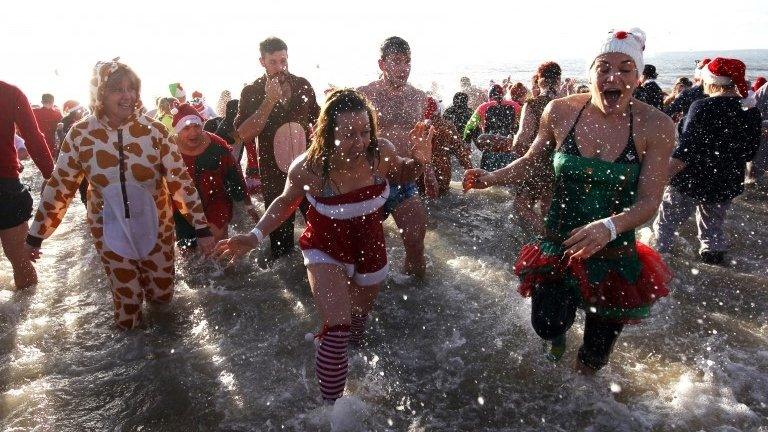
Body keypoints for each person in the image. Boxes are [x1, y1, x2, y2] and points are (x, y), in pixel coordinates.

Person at [464, 28, 674, 372]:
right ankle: (559, 336)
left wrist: (609, 226)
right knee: (547, 326)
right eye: (604, 67)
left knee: (594, 358)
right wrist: (490, 178)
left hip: (613, 252)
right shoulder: (560, 112)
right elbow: (532, 161)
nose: (613, 77)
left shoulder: (656, 125)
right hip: (559, 242)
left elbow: (650, 201)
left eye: (625, 68)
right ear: (590, 72)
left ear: (637, 77)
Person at [213, 89, 432, 404]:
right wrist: (254, 236)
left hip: (370, 246)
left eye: (365, 132)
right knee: (338, 327)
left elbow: (404, 171)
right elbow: (286, 203)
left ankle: (348, 362)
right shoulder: (308, 168)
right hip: (325, 248)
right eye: (349, 134)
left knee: (357, 321)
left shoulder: (379, 153)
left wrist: (420, 161)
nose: (359, 142)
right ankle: (331, 413)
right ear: (328, 133)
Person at [25, 60, 213, 329]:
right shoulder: (81, 135)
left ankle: (166, 358)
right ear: (100, 93)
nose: (127, 96)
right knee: (127, 305)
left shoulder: (155, 131)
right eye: (117, 89)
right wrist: (36, 235)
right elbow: (59, 186)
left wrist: (201, 227)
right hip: (109, 230)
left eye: (131, 88)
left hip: (156, 227)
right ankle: (131, 360)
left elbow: (180, 181)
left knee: (162, 298)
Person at [653, 57, 761, 264]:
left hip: (690, 180)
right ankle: (715, 265)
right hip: (726, 182)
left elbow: (686, 151)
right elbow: (748, 154)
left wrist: (659, 178)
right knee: (712, 231)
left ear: (711, 82)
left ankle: (657, 266)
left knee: (665, 228)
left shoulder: (702, 106)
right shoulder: (751, 111)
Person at [235, 36, 320, 260]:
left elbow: (320, 122)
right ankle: (288, 286)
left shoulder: (302, 84)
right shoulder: (252, 92)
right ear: (262, 61)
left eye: (283, 60)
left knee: (323, 232)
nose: (280, 67)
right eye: (273, 62)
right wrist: (269, 100)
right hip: (274, 177)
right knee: (281, 246)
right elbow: (244, 134)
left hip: (309, 171)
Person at [358, 36, 429, 277]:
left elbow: (419, 140)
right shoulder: (364, 95)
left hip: (405, 177)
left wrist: (427, 171)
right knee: (364, 251)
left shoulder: (419, 97)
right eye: (397, 61)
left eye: (407, 61)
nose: (404, 68)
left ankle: (417, 298)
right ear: (382, 64)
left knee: (415, 240)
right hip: (371, 180)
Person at [171, 103, 259, 247]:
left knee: (216, 243)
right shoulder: (169, 150)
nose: (193, 133)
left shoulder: (216, 145)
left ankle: (224, 268)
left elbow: (235, 174)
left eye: (196, 126)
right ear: (178, 131)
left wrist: (248, 204)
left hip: (216, 199)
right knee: (188, 252)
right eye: (186, 128)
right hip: (182, 206)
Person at [0, 81, 55, 289]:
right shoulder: (9, 93)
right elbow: (32, 136)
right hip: (4, 185)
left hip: (5, 185)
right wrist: (50, 175)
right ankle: (24, 315)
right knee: (20, 261)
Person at [418, 96, 473, 197]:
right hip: (442, 171)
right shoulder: (446, 126)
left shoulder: (416, 126)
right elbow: (461, 152)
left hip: (420, 172)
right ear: (438, 110)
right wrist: (471, 172)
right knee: (442, 198)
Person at [465, 84, 521, 171]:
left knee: (487, 177)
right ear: (502, 95)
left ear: (489, 96)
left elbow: (469, 127)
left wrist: (467, 143)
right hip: (507, 146)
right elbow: (522, 125)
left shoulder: (483, 107)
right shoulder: (515, 106)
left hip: (490, 146)